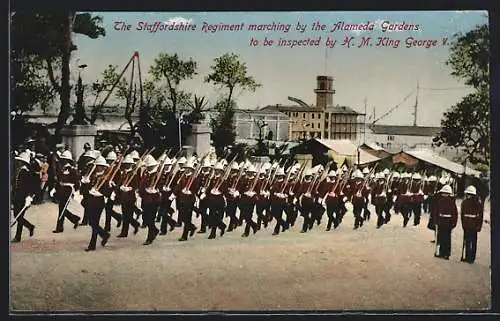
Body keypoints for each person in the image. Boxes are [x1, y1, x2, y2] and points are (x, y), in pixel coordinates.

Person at [84, 156, 111, 251]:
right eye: (98, 166)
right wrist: (85, 184)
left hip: (99, 202)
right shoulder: (92, 175)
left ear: (104, 167)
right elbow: (86, 188)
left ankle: (92, 245)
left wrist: (99, 192)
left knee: (94, 223)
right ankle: (104, 234)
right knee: (91, 222)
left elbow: (108, 192)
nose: (99, 167)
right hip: (91, 201)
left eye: (101, 166)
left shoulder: (106, 178)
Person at [51, 150, 81, 233]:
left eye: (64, 159)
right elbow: (59, 180)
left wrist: (76, 191)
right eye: (62, 159)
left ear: (68, 160)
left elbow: (76, 182)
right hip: (61, 189)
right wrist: (55, 188)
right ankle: (75, 219)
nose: (62, 161)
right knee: (62, 208)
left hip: (68, 190)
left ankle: (59, 228)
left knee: (62, 208)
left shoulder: (72, 170)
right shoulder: (62, 169)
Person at [11, 152, 36, 242]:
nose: (19, 162)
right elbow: (14, 182)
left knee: (19, 216)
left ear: (23, 162)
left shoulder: (26, 172)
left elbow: (31, 186)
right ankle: (30, 226)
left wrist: (29, 196)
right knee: (17, 215)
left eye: (20, 161)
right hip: (16, 196)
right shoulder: (19, 170)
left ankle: (18, 236)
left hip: (22, 197)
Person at [432, 184, 458, 260]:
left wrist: (453, 222)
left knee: (447, 239)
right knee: (440, 238)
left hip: (448, 222)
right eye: (444, 193)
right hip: (440, 221)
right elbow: (436, 212)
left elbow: (454, 213)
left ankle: (446, 253)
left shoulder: (452, 202)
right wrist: (435, 221)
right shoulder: (439, 201)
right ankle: (441, 252)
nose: (444, 194)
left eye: (446, 193)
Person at [460, 185, 483, 263]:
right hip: (473, 224)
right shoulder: (478, 203)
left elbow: (462, 214)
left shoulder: (465, 202)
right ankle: (471, 257)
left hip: (469, 224)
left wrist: (463, 224)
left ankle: (468, 257)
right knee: (472, 241)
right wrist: (479, 226)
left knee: (468, 241)